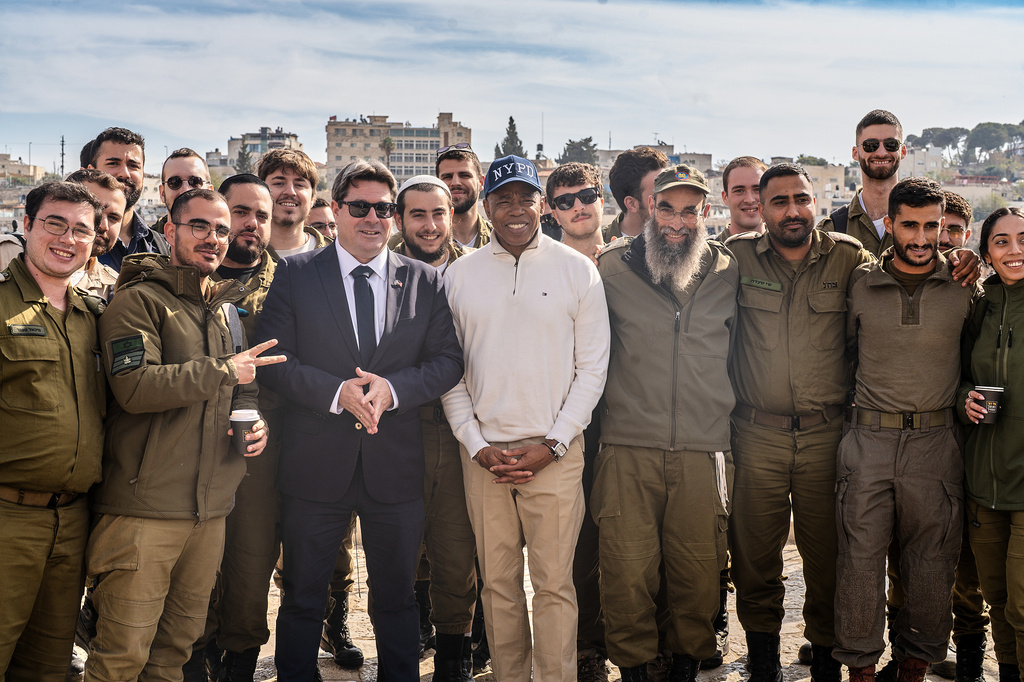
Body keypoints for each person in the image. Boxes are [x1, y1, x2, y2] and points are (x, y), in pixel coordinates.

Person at [255, 158, 464, 681]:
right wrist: (335, 393)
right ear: (337, 209)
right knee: (303, 596)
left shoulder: (424, 280)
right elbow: (274, 360)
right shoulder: (296, 274)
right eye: (360, 207)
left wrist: (393, 390)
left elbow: (447, 361)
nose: (373, 218)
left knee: (395, 599)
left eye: (383, 209)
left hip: (395, 467)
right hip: (315, 465)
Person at [84, 188, 279, 681]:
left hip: (208, 514)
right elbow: (134, 387)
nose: (213, 238)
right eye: (199, 226)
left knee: (173, 654)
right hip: (144, 512)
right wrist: (225, 370)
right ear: (169, 230)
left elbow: (242, 388)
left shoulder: (225, 309)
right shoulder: (138, 301)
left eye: (221, 229)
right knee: (121, 657)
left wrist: (254, 419)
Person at [441, 154, 610, 682]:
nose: (515, 209)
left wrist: (554, 444)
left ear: (542, 205)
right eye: (503, 199)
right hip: (484, 457)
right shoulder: (458, 275)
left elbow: (593, 369)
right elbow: (449, 372)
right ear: (486, 206)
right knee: (498, 585)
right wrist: (475, 444)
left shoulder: (577, 270)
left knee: (555, 585)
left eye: (525, 198)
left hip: (555, 454)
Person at [726, 163, 873, 682]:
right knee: (754, 556)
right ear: (761, 209)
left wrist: (961, 260)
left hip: (826, 436)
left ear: (816, 201)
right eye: (780, 201)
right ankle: (763, 659)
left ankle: (826, 659)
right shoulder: (736, 257)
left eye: (802, 199)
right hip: (756, 435)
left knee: (828, 556)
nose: (793, 211)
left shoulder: (849, 257)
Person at [595, 164, 737, 682]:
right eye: (668, 208)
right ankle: (633, 669)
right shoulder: (609, 268)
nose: (678, 222)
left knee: (698, 572)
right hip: (627, 447)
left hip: (704, 449)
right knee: (626, 570)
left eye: (690, 211)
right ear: (648, 208)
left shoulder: (729, 269)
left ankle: (685, 668)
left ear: (705, 212)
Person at [837, 177, 982, 682]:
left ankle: (914, 666)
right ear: (891, 224)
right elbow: (842, 354)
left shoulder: (964, 285)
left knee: (932, 562)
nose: (921, 238)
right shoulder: (860, 283)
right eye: (910, 226)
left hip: (936, 442)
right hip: (868, 440)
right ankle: (860, 668)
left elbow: (976, 361)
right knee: (858, 560)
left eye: (931, 226)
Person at [0, 182, 104, 682]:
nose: (68, 239)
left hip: (73, 522)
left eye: (81, 229)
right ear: (27, 226)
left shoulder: (94, 316)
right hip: (7, 519)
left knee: (48, 667)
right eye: (54, 224)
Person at [390, 175, 478, 680]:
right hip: (400, 429)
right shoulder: (381, 271)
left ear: (452, 216)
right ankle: (398, 657)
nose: (429, 225)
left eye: (438, 213)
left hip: (461, 432)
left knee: (456, 552)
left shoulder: (477, 271)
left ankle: (453, 660)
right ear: (400, 219)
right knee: (396, 553)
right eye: (417, 215)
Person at [545, 161, 611, 681]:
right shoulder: (546, 266)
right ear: (551, 211)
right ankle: (587, 647)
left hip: (628, 420)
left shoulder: (632, 260)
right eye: (565, 201)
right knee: (577, 541)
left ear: (602, 197)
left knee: (632, 539)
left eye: (586, 195)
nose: (578, 207)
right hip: (569, 422)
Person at [960, 206, 1024, 682]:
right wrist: (965, 397)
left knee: (1023, 604)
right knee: (996, 598)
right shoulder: (979, 306)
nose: (1014, 250)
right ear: (986, 253)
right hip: (984, 482)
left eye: (1023, 239)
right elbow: (958, 373)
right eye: (1002, 241)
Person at [818, 110, 906, 257]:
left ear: (902, 151)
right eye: (870, 145)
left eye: (891, 144)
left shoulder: (926, 223)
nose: (881, 152)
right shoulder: (831, 230)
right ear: (855, 153)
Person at [86, 126, 169, 271]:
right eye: (113, 163)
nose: (125, 173)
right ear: (91, 172)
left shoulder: (161, 247)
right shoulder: (74, 242)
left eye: (133, 166)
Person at [257, 149, 330, 257]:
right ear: (260, 193)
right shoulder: (240, 256)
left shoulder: (337, 255)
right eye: (279, 183)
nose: (290, 192)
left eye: (299, 185)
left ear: (312, 198)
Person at [603, 146, 669, 242]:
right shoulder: (599, 246)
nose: (670, 201)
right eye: (658, 196)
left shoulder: (682, 240)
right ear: (631, 204)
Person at [436, 144, 491, 249]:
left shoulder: (501, 239)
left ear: (481, 182)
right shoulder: (420, 241)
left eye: (465, 175)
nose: (455, 182)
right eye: (447, 177)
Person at [153, 148, 213, 233]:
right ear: (162, 193)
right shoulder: (144, 241)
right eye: (174, 182)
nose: (185, 190)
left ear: (210, 192)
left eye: (195, 182)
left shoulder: (222, 240)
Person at [716, 156, 768, 241]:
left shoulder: (787, 247)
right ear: (725, 197)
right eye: (739, 191)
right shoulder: (707, 249)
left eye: (757, 190)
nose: (750, 200)